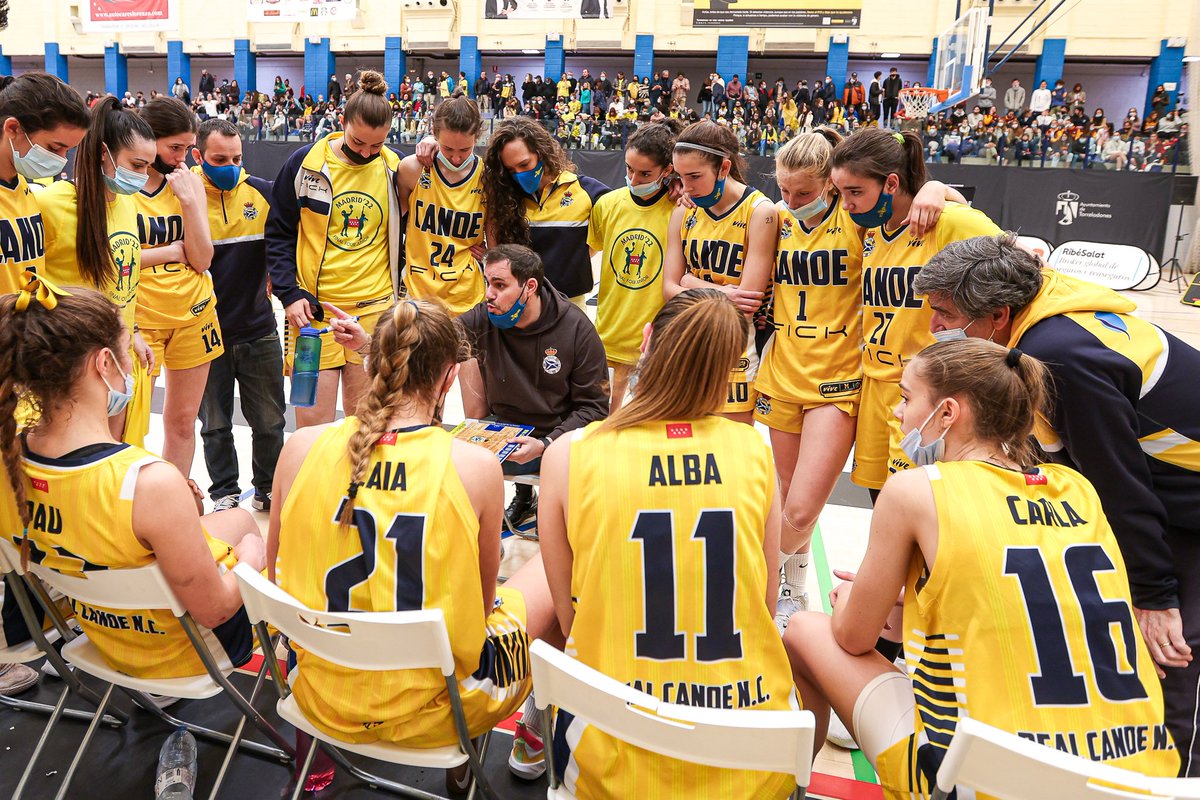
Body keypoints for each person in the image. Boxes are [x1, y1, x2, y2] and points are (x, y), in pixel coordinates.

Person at [784, 338, 1180, 797]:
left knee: (804, 629)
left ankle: (789, 789)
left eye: (907, 398)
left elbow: (854, 637)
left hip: (995, 781)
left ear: (948, 413)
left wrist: (852, 600)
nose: (897, 413)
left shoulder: (916, 489)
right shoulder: (1077, 488)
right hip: (1137, 780)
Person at [914, 234, 1200, 775]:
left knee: (1172, 649)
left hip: (1182, 500)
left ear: (998, 315)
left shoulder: (1059, 355)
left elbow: (1116, 484)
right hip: (1167, 488)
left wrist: (1154, 594)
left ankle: (1175, 776)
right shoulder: (1040, 310)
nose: (934, 327)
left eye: (945, 314)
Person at [268, 297, 560, 796]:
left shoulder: (300, 447)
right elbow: (483, 604)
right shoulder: (475, 467)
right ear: (449, 378)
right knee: (551, 572)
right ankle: (524, 742)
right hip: (437, 709)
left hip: (317, 691)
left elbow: (275, 578)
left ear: (370, 363)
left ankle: (314, 771)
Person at [538, 288, 801, 798]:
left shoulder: (571, 453)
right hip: (749, 757)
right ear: (729, 370)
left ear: (646, 339)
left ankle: (530, 737)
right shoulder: (752, 449)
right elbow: (766, 605)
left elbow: (571, 620)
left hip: (610, 755)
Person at [756, 128, 969, 631]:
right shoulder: (776, 219)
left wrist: (937, 187)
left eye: (805, 192)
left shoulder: (857, 221)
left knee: (801, 508)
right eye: (784, 190)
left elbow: (934, 207)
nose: (792, 201)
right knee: (786, 495)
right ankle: (793, 589)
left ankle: (744, 583)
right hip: (782, 368)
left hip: (839, 374)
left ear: (830, 187)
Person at [0, 278, 266, 680]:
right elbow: (215, 610)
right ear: (104, 364)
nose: (135, 365)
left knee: (239, 519)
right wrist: (252, 559)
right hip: (187, 654)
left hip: (95, 636)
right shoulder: (147, 482)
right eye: (128, 352)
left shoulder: (11, 459)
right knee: (253, 540)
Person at [828, 128, 999, 496]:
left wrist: (940, 190)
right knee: (884, 503)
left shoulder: (949, 221)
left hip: (929, 392)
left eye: (854, 192)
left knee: (926, 507)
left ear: (891, 183)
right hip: (876, 386)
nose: (846, 205)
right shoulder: (870, 230)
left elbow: (1017, 266)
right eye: (841, 193)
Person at [265, 70, 403, 427]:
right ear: (342, 122)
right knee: (312, 428)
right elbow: (278, 233)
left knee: (366, 427)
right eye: (358, 142)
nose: (366, 152)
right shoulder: (305, 164)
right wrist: (289, 293)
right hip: (314, 315)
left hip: (373, 314)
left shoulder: (395, 168)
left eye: (376, 145)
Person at [450, 244, 608, 526]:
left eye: (500, 285)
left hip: (556, 436)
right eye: (487, 283)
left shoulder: (577, 328)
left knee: (557, 515)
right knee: (448, 461)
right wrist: (373, 343)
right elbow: (434, 339)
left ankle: (551, 511)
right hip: (504, 431)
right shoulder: (484, 316)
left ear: (530, 286)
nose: (489, 294)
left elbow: (594, 409)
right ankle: (505, 517)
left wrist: (546, 444)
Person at [38, 97, 156, 448]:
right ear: (104, 153)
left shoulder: (128, 203)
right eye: (137, 165)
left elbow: (123, 281)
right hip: (69, 365)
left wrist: (133, 332)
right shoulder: (51, 203)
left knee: (113, 458)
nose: (143, 176)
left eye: (148, 167)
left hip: (119, 358)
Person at [190, 118, 284, 514]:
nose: (230, 166)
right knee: (214, 424)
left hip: (259, 329)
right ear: (198, 156)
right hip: (204, 336)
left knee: (270, 421)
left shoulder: (263, 193)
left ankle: (268, 487)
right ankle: (224, 493)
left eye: (237, 158)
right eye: (219, 159)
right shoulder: (184, 198)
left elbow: (288, 245)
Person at [663, 120, 777, 424]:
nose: (686, 187)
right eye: (680, 177)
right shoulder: (684, 210)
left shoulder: (760, 212)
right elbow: (668, 290)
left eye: (694, 176)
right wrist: (718, 291)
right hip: (687, 339)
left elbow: (745, 304)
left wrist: (690, 281)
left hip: (735, 347)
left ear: (724, 168)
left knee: (730, 446)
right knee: (685, 443)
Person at [130, 96, 220, 481]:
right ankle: (129, 505)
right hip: (140, 319)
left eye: (188, 148)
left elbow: (202, 259)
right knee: (130, 427)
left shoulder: (189, 183)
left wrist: (189, 201)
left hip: (194, 314)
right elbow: (111, 259)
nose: (182, 157)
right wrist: (167, 252)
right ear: (148, 139)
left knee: (182, 422)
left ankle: (174, 499)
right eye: (175, 147)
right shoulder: (120, 183)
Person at [587, 120, 682, 410]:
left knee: (648, 427)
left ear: (667, 170)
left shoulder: (681, 209)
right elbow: (585, 255)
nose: (634, 178)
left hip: (657, 343)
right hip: (609, 337)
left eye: (645, 173)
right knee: (604, 424)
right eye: (629, 169)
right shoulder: (607, 204)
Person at [481, 117, 610, 307]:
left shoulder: (586, 190)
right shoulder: (504, 197)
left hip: (571, 304)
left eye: (524, 165)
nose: (519, 174)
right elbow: (494, 237)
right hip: (520, 303)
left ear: (541, 153)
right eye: (511, 170)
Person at [0, 73, 89, 295]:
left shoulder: (22, 186)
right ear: (13, 129)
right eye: (54, 148)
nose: (62, 159)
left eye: (68, 150)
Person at [397, 97, 486, 316]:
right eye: (447, 149)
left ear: (477, 137)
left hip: (468, 297)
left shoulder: (488, 177)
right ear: (435, 134)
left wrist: (489, 254)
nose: (456, 158)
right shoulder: (411, 169)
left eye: (465, 149)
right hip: (418, 294)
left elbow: (494, 234)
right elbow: (398, 222)